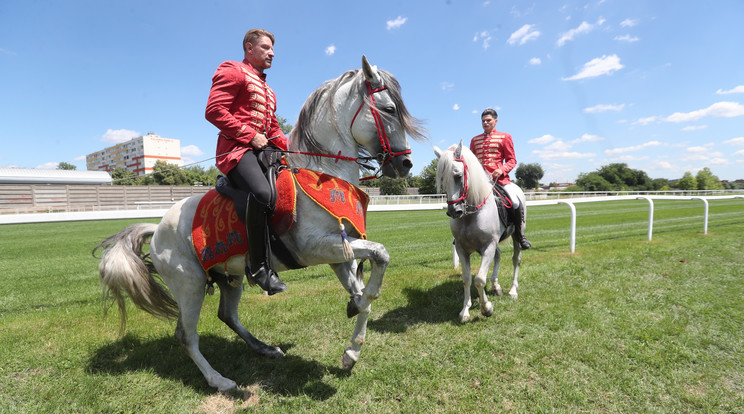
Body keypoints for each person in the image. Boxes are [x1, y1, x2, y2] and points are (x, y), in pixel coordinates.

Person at [205, 28, 289, 294]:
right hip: (235, 151)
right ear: (249, 49)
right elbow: (214, 110)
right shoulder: (231, 70)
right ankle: (259, 267)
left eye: (273, 49)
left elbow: (273, 129)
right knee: (263, 193)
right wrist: (250, 135)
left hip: (261, 152)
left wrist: (294, 149)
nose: (272, 53)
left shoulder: (268, 90)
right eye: (265, 48)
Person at [469, 108, 531, 250]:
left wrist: (501, 170)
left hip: (499, 180)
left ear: (495, 121)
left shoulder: (505, 137)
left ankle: (520, 236)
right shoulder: (475, 140)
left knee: (515, 202)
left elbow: (512, 160)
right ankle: (459, 236)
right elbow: (471, 160)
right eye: (483, 121)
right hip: (479, 182)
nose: (485, 123)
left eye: (488, 120)